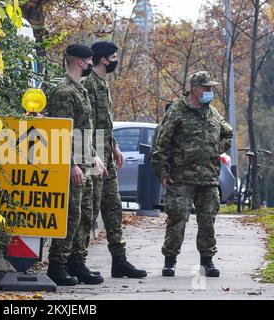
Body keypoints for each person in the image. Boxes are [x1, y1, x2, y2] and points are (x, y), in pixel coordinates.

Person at [151, 71, 233, 277]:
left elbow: (228, 133)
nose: (210, 91)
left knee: (207, 222)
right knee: (177, 220)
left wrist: (217, 147)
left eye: (211, 88)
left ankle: (208, 261)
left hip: (208, 179)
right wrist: (162, 172)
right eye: (207, 88)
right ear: (195, 89)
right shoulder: (177, 111)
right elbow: (161, 143)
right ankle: (170, 261)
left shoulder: (213, 113)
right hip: (181, 178)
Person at [81, 41, 147, 279]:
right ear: (103, 59)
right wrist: (92, 154)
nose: (116, 60)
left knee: (113, 207)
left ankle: (119, 261)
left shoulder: (103, 85)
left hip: (105, 152)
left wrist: (115, 147)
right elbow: (85, 125)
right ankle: (76, 261)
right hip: (91, 153)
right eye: (114, 56)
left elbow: (105, 123)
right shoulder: (88, 84)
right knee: (88, 210)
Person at [46, 44, 107, 286]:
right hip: (72, 166)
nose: (92, 63)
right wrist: (72, 165)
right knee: (71, 215)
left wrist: (94, 156)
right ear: (81, 62)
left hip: (85, 162)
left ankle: (77, 262)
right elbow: (62, 133)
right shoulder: (64, 91)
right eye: (90, 60)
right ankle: (57, 264)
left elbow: (84, 131)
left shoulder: (79, 89)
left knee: (85, 215)